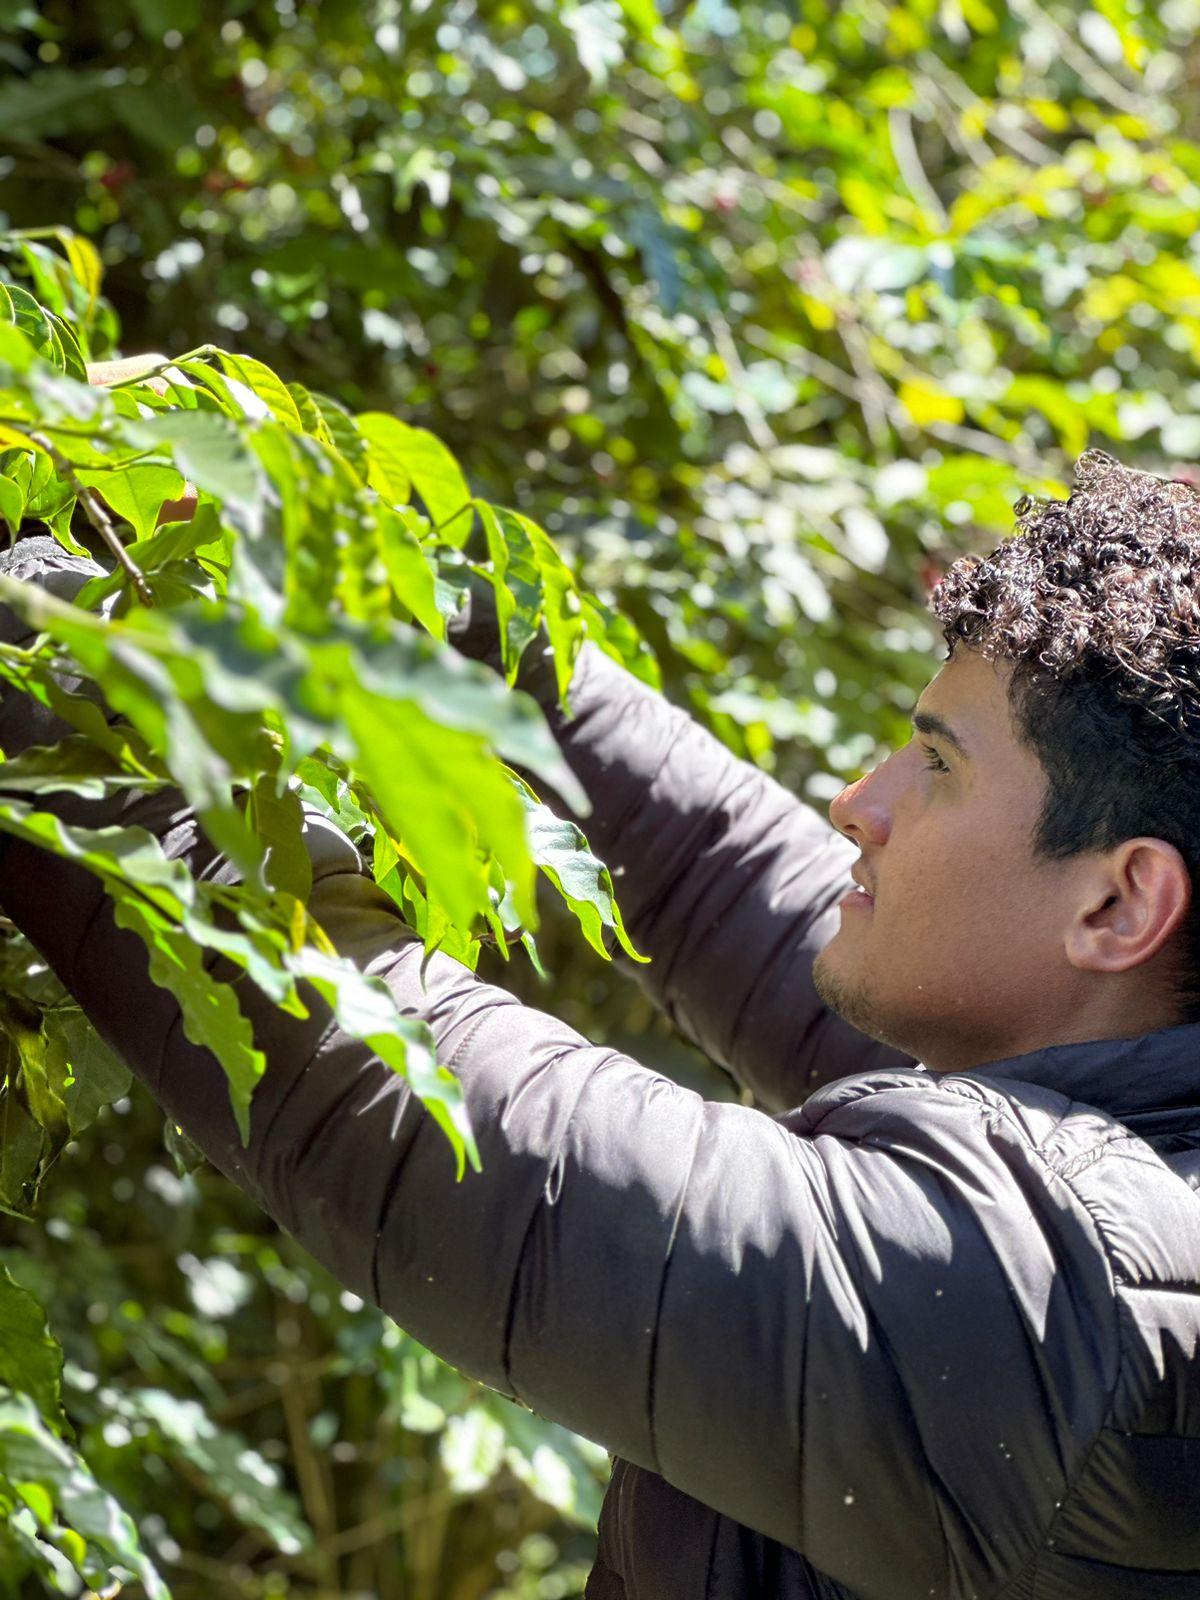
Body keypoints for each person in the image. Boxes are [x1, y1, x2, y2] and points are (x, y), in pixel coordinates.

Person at [0, 449, 1198, 1600]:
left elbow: (413, 1124)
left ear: (1119, 899)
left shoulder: (1057, 1308)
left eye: (936, 765)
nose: (859, 800)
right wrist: (396, 567)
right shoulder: (1120, 1119)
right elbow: (711, 868)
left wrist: (40, 649)